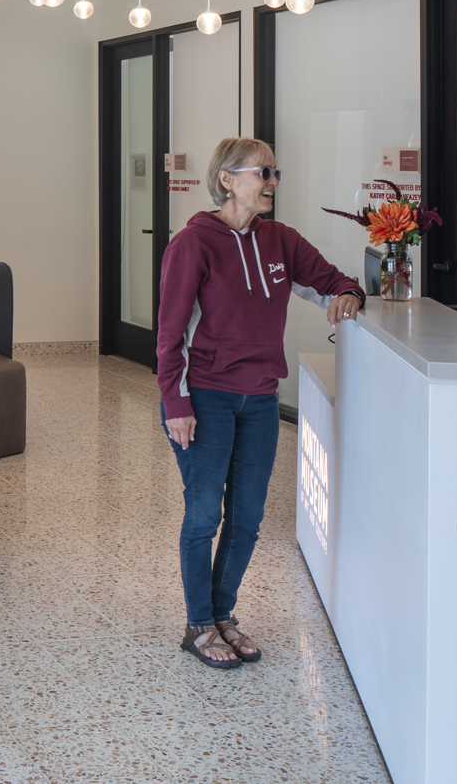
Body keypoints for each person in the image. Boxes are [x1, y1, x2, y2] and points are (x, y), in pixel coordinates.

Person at [156, 136, 364, 670]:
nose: (272, 182)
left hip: (261, 399)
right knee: (205, 512)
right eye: (263, 173)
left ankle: (223, 614)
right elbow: (170, 333)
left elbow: (332, 280)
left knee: (248, 516)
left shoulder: (280, 240)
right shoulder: (193, 244)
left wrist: (349, 294)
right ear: (227, 179)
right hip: (205, 396)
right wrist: (175, 402)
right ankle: (198, 624)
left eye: (275, 173)